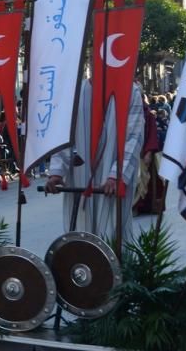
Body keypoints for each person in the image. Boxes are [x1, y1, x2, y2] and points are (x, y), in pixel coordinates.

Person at [46, 79, 144, 242]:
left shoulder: (130, 91)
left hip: (112, 178)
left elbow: (134, 137)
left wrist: (116, 174)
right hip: (80, 176)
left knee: (115, 234)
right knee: (79, 234)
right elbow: (62, 133)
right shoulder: (75, 90)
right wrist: (57, 171)